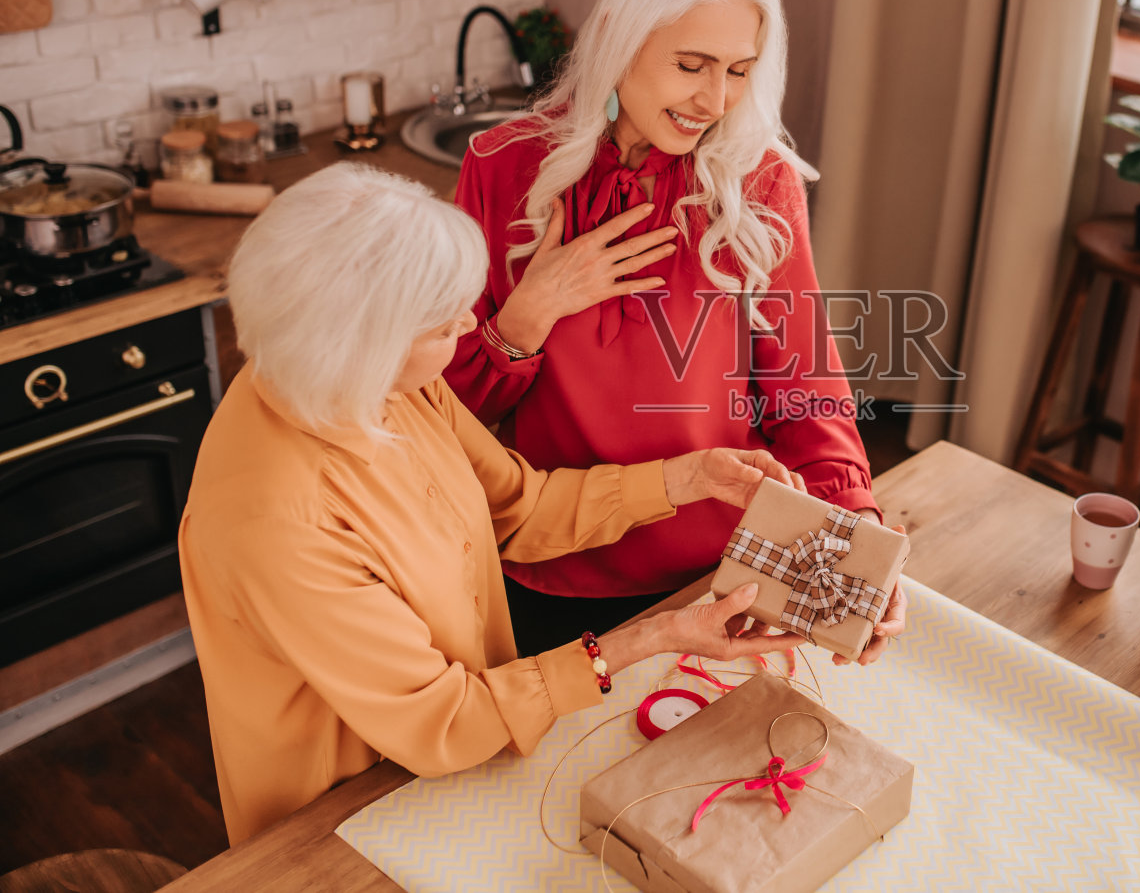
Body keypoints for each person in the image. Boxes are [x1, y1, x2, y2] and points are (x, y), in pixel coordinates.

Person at [179, 165, 804, 845]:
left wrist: (689, 476)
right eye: (440, 320)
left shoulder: (377, 383)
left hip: (463, 757)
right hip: (344, 824)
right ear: (358, 341)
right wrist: (655, 635)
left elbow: (520, 507)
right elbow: (444, 720)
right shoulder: (277, 521)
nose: (467, 322)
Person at [446, 0, 906, 663]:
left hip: (723, 576)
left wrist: (858, 546)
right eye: (691, 64)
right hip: (548, 575)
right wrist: (527, 317)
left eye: (739, 69)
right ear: (617, 40)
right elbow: (449, 421)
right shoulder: (501, 171)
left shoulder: (761, 181)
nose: (715, 99)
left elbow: (805, 388)